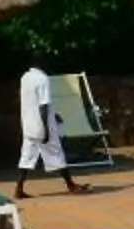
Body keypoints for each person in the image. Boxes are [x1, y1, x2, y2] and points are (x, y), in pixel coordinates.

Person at [16, 64, 89, 197]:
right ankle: (71, 185)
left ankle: (19, 189)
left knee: (26, 156)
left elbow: (32, 101)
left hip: (28, 123)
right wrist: (46, 130)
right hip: (41, 124)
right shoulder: (42, 79)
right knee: (56, 153)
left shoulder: (25, 77)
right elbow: (43, 106)